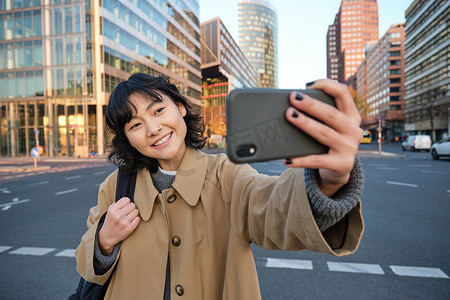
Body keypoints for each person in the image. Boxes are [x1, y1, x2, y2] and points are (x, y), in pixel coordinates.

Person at [75, 73, 364, 299]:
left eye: (158, 110)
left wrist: (328, 180)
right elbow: (88, 266)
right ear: (128, 137)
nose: (152, 128)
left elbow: (277, 212)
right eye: (135, 125)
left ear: (179, 107)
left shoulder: (227, 175)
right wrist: (104, 240)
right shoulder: (114, 187)